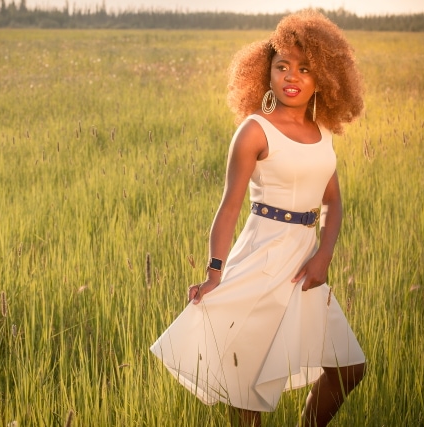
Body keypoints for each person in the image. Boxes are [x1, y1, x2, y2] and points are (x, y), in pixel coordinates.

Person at [150, 10, 366, 427]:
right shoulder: (254, 130)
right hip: (262, 261)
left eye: (305, 68)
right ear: (265, 72)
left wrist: (324, 255)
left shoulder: (323, 133)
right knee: (249, 389)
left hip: (305, 269)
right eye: (282, 65)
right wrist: (214, 272)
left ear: (324, 75)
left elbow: (333, 203)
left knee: (348, 368)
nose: (292, 76)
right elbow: (229, 206)